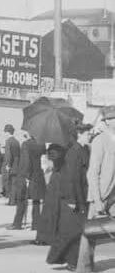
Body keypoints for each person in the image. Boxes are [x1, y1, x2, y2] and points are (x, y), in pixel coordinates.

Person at [47, 123, 92, 270]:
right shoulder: (74, 151)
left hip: (80, 196)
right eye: (87, 134)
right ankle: (62, 259)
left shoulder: (83, 149)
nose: (89, 136)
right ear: (79, 134)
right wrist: (73, 200)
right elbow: (72, 177)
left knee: (76, 231)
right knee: (71, 231)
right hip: (73, 197)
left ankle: (72, 261)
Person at [76, 106, 115, 273]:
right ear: (106, 122)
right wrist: (98, 201)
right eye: (112, 119)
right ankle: (84, 268)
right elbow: (92, 173)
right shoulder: (100, 140)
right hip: (101, 194)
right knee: (91, 234)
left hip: (114, 193)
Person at [7, 131, 46, 230]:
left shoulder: (26, 144)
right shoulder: (42, 144)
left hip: (27, 175)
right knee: (36, 201)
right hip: (38, 174)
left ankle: (17, 223)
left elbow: (26, 161)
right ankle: (35, 224)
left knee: (21, 199)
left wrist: (26, 175)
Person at [34, 143, 65, 246]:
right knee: (55, 209)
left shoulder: (54, 149)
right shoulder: (66, 148)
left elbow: (49, 167)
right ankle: (52, 235)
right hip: (60, 180)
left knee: (49, 209)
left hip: (54, 180)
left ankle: (45, 237)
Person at [3, 124, 20, 205]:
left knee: (10, 183)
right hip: (17, 165)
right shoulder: (17, 141)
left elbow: (8, 155)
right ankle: (13, 200)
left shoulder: (8, 141)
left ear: (7, 132)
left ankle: (11, 201)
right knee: (14, 184)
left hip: (11, 165)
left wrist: (7, 165)